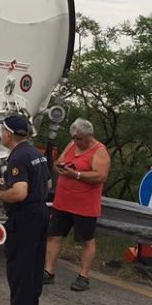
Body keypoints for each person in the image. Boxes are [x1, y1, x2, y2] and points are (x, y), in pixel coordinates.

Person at [0, 114, 51, 305]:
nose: (1, 134)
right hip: (40, 215)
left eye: (3, 130)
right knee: (32, 270)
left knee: (19, 271)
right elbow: (47, 183)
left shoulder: (18, 157)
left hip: (24, 220)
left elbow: (20, 193)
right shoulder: (35, 154)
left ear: (9, 135)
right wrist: (9, 184)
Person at [44, 118, 110, 291]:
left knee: (86, 240)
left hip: (85, 204)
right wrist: (59, 167)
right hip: (63, 200)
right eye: (74, 138)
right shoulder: (73, 144)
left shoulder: (99, 151)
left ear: (90, 136)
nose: (77, 142)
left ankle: (83, 276)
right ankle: (49, 271)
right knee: (54, 235)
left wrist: (77, 175)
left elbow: (100, 176)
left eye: (80, 139)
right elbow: (60, 160)